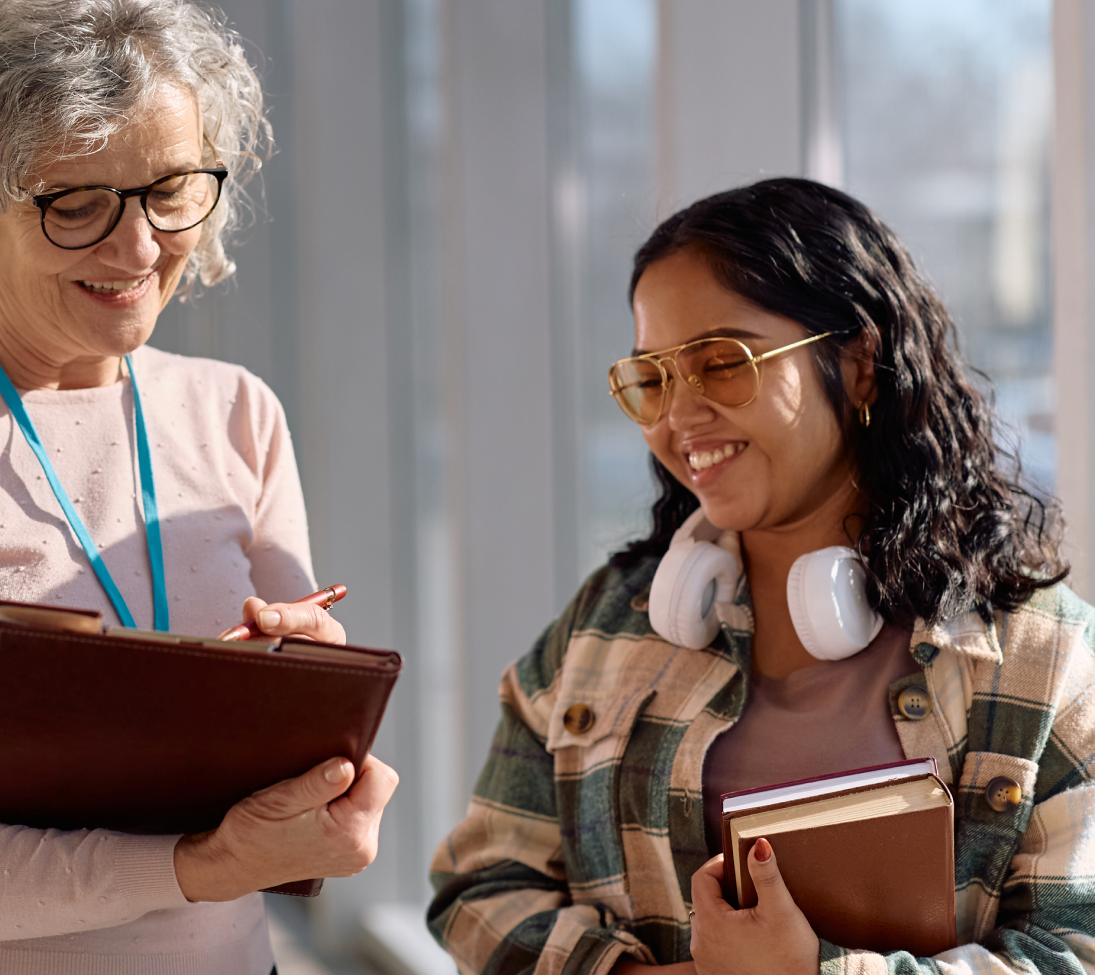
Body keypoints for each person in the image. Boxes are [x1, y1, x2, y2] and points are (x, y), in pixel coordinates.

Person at [0, 2, 399, 974]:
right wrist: (196, 865)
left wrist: (319, 752)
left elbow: (288, 795)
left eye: (171, 190)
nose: (138, 249)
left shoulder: (237, 413)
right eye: (77, 203)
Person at [427, 178, 1095, 974]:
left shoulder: (1043, 655)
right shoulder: (611, 620)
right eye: (653, 378)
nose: (678, 416)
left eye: (720, 362)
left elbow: (1075, 951)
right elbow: (479, 883)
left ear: (858, 363)